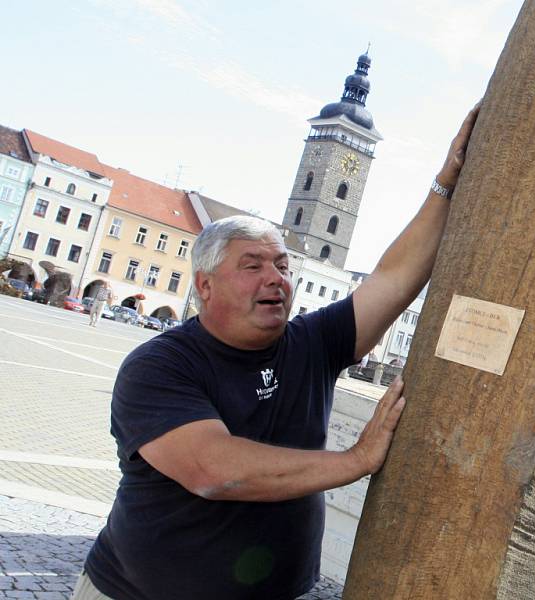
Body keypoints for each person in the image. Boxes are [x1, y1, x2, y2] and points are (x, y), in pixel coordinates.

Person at [73, 103, 480, 600]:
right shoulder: (160, 365)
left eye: (283, 266)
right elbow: (213, 471)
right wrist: (356, 460)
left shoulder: (312, 341)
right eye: (253, 266)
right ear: (205, 285)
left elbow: (393, 280)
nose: (276, 278)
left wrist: (445, 183)